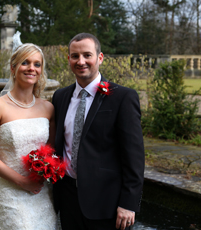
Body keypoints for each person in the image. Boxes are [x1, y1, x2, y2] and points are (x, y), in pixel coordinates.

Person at [52, 33, 145, 230]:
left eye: (87, 55)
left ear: (100, 58)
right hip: (68, 199)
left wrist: (129, 203)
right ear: (68, 59)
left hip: (107, 203)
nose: (81, 61)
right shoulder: (60, 97)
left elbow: (134, 156)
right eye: (75, 56)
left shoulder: (123, 97)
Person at [0, 39, 57, 229]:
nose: (31, 68)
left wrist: (47, 170)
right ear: (13, 68)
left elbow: (50, 150)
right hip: (11, 192)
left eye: (37, 64)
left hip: (40, 192)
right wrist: (22, 182)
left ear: (41, 70)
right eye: (25, 62)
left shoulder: (48, 108)